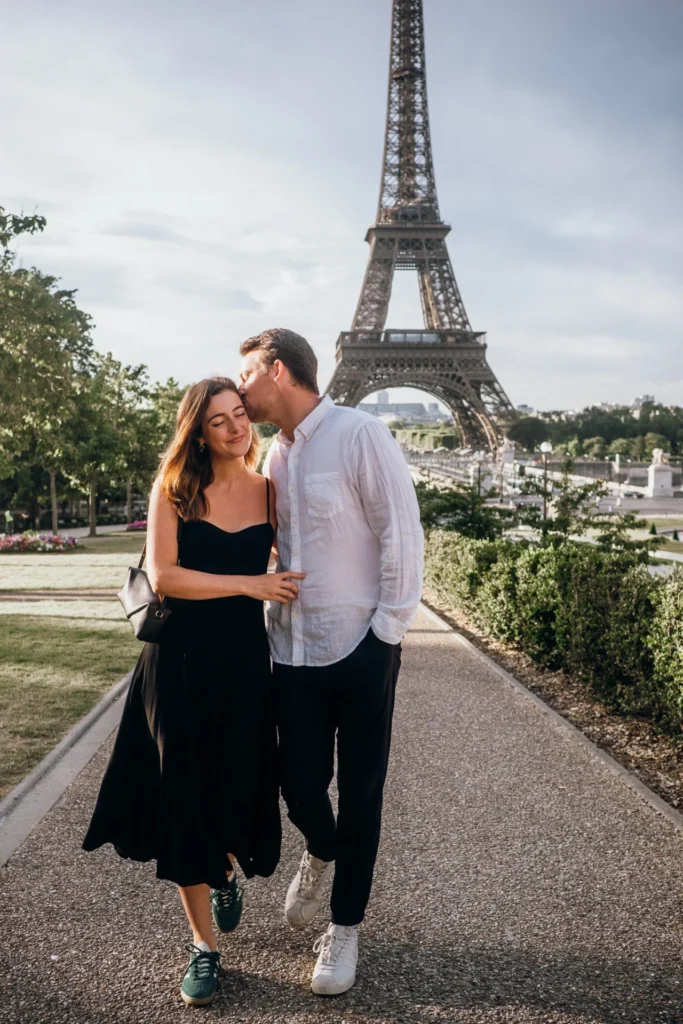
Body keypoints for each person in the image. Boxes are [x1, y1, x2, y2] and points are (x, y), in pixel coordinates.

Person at [83, 377, 305, 1007]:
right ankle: (204, 947)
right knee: (183, 795)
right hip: (176, 664)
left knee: (238, 781)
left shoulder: (270, 489)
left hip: (241, 665)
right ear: (197, 432)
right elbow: (166, 576)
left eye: (242, 415)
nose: (238, 429)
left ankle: (225, 868)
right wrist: (250, 584)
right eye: (220, 421)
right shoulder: (174, 489)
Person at [239, 329, 423, 996]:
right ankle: (322, 850)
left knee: (363, 793)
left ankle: (344, 927)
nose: (239, 389)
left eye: (247, 375)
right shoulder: (274, 456)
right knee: (299, 785)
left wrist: (386, 634)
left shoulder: (359, 433)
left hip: (359, 644)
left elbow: (400, 531)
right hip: (292, 647)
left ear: (279, 371)